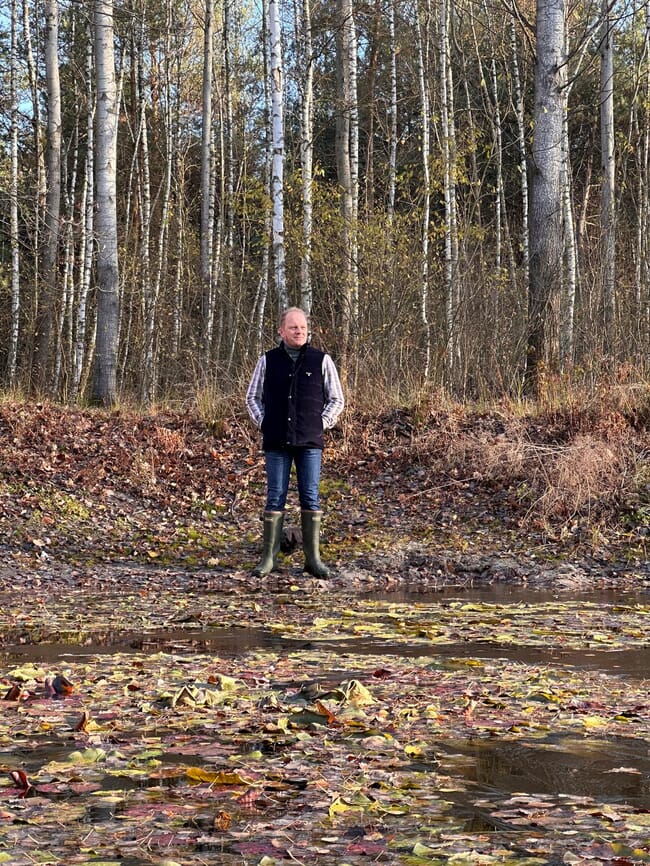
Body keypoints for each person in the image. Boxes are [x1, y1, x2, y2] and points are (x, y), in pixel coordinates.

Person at [246, 307, 345, 577]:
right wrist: (264, 423)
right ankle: (270, 559)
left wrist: (320, 424)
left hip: (310, 442)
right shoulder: (267, 361)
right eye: (293, 327)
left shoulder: (321, 360)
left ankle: (313, 560)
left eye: (302, 327)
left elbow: (337, 399)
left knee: (310, 497)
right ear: (281, 331)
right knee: (275, 495)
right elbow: (251, 397)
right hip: (276, 441)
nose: (299, 331)